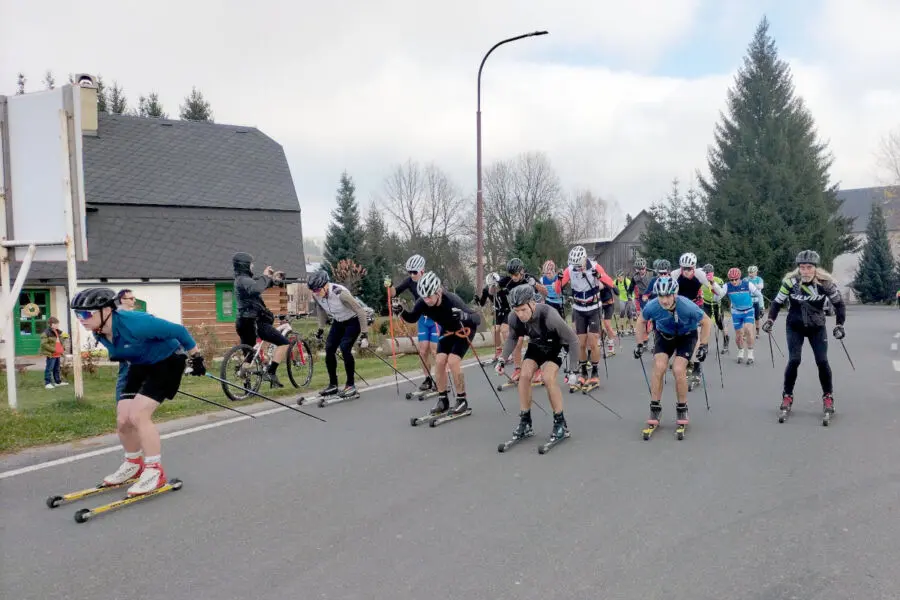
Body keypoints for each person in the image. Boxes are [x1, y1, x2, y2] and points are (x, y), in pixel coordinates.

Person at [71, 288, 205, 496]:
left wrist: (196, 358)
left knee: (138, 415)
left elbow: (179, 331)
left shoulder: (136, 323)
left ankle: (154, 471)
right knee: (123, 420)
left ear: (106, 310)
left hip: (167, 362)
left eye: (86, 314)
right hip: (139, 365)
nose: (81, 319)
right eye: (77, 314)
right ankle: (133, 464)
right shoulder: (100, 330)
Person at [762, 250, 846, 420]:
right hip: (795, 326)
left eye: (809, 267)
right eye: (802, 267)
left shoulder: (825, 284)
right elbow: (777, 303)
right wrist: (770, 320)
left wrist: (839, 325)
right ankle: (787, 395)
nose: (805, 271)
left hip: (817, 327)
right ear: (798, 268)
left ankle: (828, 397)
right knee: (794, 360)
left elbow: (839, 305)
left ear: (815, 268)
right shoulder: (790, 282)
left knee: (822, 361)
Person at [495, 284, 580, 446]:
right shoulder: (514, 318)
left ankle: (560, 423)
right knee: (524, 376)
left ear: (532, 304)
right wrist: (502, 359)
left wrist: (574, 370)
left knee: (548, 378)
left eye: (523, 310)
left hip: (557, 345)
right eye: (516, 310)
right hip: (537, 345)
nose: (519, 314)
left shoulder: (549, 315)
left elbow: (573, 339)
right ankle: (525, 421)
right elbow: (512, 338)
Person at [394, 271, 482, 417]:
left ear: (438, 292)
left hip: (464, 330)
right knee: (440, 361)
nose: (427, 300)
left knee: (453, 361)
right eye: (424, 297)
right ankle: (443, 399)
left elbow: (476, 318)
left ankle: (461, 399)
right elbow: (412, 318)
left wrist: (463, 315)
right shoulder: (422, 302)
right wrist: (402, 311)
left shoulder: (452, 300)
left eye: (429, 296)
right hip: (447, 331)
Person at [633, 277, 712, 430]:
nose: (664, 300)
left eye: (668, 296)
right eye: (661, 296)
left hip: (686, 335)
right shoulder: (653, 305)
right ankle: (655, 408)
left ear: (674, 294)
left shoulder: (686, 305)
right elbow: (641, 320)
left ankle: (682, 408)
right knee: (659, 366)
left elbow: (706, 321)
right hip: (664, 335)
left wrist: (703, 345)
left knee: (678, 369)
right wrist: (639, 343)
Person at [556, 245, 615, 387]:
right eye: (574, 266)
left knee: (593, 342)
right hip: (578, 309)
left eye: (579, 266)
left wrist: (599, 276)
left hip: (594, 308)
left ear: (584, 260)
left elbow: (611, 283)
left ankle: (594, 372)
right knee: (580, 343)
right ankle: (583, 372)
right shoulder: (570, 270)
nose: (577, 269)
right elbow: (557, 289)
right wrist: (559, 280)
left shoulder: (594, 266)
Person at [307, 270, 371, 399]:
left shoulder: (340, 293)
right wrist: (320, 328)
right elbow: (320, 310)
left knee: (345, 348)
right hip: (338, 321)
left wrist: (364, 335)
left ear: (326, 285)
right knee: (329, 349)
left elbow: (360, 311)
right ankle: (333, 385)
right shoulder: (317, 295)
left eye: (318, 289)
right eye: (313, 290)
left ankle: (351, 385)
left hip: (353, 321)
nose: (316, 293)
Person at [232, 252, 290, 388]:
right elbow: (256, 288)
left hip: (242, 321)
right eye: (251, 264)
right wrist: (265, 276)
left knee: (249, 355)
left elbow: (256, 285)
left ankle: (247, 389)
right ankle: (271, 372)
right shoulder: (244, 280)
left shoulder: (240, 279)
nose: (252, 266)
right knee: (284, 343)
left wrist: (272, 279)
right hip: (255, 322)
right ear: (245, 265)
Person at [385, 254, 439, 392]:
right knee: (422, 350)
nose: (412, 275)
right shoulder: (409, 281)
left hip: (436, 319)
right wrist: (389, 285)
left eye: (414, 272)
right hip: (422, 318)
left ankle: (441, 379)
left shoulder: (431, 279)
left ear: (422, 270)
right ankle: (428, 379)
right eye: (409, 272)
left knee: (435, 350)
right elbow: (393, 293)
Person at [496, 258, 547, 383]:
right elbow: (492, 290)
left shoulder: (529, 278)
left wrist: (535, 284)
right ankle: (518, 369)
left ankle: (538, 370)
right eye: (511, 274)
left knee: (534, 341)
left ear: (522, 271)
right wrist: (493, 285)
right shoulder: (507, 281)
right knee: (517, 342)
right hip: (518, 314)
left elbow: (545, 291)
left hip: (532, 314)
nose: (514, 277)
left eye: (516, 274)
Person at [723, 268, 764, 364]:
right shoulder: (727, 286)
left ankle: (750, 354)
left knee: (748, 330)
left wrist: (761, 307)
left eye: (736, 279)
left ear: (739, 278)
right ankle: (741, 351)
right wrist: (714, 291)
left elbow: (759, 295)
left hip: (748, 311)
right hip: (736, 312)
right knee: (738, 335)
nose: (734, 281)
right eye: (731, 279)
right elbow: (718, 296)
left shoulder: (747, 284)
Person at [476, 272, 506, 363]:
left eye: (495, 286)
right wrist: (477, 300)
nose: (493, 288)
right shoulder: (486, 290)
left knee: (505, 330)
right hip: (497, 311)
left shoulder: (503, 287)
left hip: (507, 310)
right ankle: (498, 350)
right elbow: (482, 303)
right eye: (491, 286)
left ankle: (508, 352)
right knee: (494, 330)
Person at [114, 289, 137, 401]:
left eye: (134, 298)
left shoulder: (130, 314)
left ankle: (132, 402)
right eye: (131, 298)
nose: (134, 300)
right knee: (124, 377)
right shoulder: (119, 315)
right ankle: (120, 403)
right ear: (122, 300)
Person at [700, 264, 729, 354]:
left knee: (720, 324)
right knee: (704, 325)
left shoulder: (718, 280)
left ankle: (726, 340)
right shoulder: (701, 281)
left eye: (709, 273)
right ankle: (704, 346)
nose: (707, 275)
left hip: (717, 305)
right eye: (705, 273)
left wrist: (712, 285)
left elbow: (720, 293)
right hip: (705, 304)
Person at [40, 317, 68, 389]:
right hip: (51, 354)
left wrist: (64, 337)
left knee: (57, 369)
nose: (57, 325)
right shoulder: (46, 332)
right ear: (51, 324)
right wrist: (54, 350)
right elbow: (44, 344)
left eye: (57, 324)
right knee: (49, 368)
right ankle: (47, 383)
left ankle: (57, 382)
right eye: (55, 324)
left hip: (58, 353)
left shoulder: (58, 331)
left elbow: (60, 341)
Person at [746, 265, 765, 337]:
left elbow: (761, 286)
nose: (750, 274)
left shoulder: (759, 279)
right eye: (749, 272)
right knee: (747, 318)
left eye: (752, 272)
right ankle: (747, 332)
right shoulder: (745, 279)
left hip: (757, 300)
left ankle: (757, 332)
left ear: (756, 273)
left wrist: (753, 286)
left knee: (757, 318)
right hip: (748, 300)